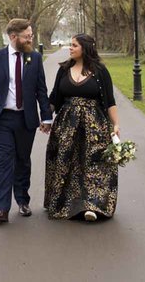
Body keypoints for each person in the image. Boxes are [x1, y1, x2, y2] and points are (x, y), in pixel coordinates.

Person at [0, 18, 53, 223]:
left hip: (25, 119)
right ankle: (2, 208)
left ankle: (23, 201)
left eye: (31, 35)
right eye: (27, 36)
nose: (30, 39)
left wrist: (46, 117)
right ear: (13, 37)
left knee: (22, 159)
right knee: (5, 160)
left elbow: (41, 89)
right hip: (1, 119)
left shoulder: (35, 58)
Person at [44, 33, 120, 221]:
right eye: (71, 45)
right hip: (66, 126)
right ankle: (65, 203)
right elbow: (55, 97)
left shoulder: (100, 70)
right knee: (66, 163)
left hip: (95, 126)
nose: (70, 48)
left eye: (74, 45)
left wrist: (116, 124)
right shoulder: (64, 69)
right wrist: (45, 117)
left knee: (94, 163)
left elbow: (109, 101)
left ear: (85, 48)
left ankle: (92, 206)